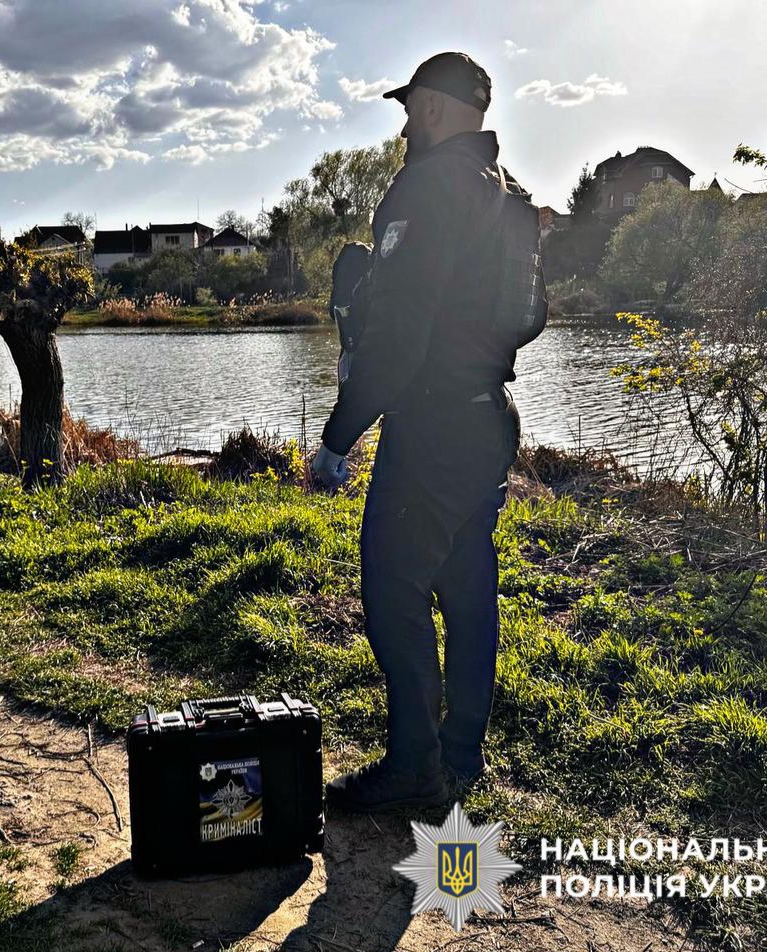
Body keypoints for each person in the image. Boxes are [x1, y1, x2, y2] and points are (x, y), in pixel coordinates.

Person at [311, 51, 541, 812]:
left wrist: (338, 437)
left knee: (393, 588)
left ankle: (415, 766)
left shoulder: (429, 185)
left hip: (434, 425)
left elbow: (401, 335)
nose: (406, 125)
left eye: (410, 109)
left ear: (434, 107)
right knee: (469, 584)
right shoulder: (508, 196)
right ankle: (461, 753)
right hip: (488, 419)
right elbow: (529, 317)